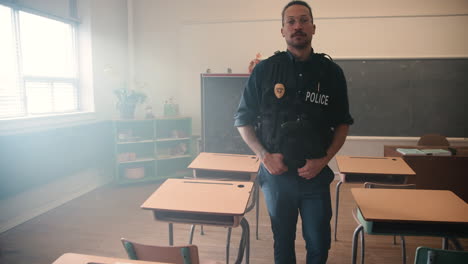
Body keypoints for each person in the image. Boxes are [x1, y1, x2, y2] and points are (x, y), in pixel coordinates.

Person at [234, 1, 354, 263]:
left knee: (319, 244)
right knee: (283, 244)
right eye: (291, 21)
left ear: (313, 27)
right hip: (277, 178)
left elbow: (342, 123)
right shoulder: (265, 71)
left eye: (303, 20)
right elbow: (242, 120)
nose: (297, 26)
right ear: (282, 30)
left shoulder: (331, 73)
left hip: (316, 176)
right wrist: (264, 156)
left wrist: (323, 161)